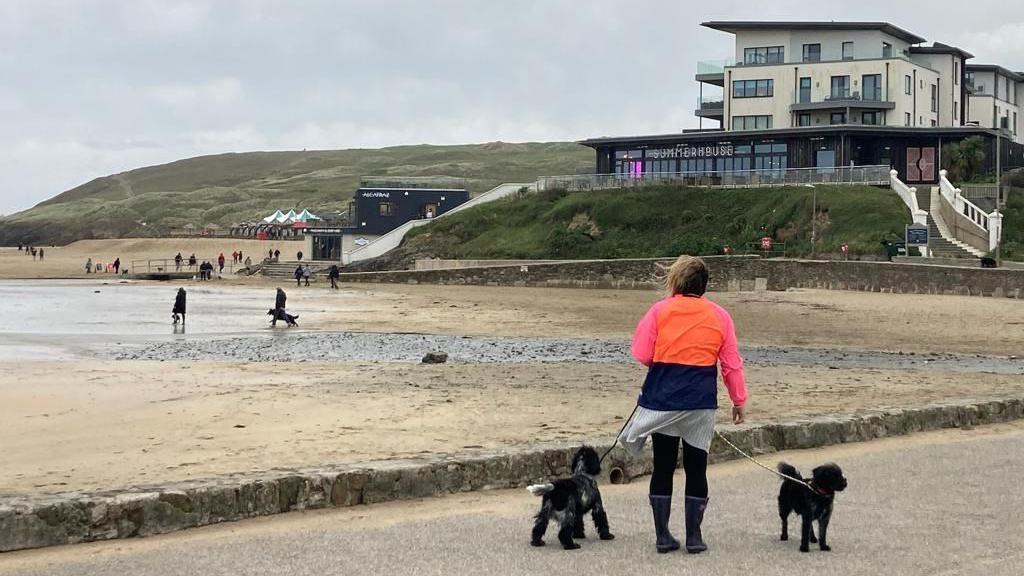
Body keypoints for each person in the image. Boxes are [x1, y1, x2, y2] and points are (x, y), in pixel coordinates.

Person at [618, 256, 747, 555]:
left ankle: (663, 537)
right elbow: (731, 365)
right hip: (700, 402)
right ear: (704, 285)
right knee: (696, 467)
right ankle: (694, 537)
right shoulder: (720, 316)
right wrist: (739, 400)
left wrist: (667, 359)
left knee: (662, 465)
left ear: (676, 281)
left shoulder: (659, 311)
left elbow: (641, 353)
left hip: (663, 398)